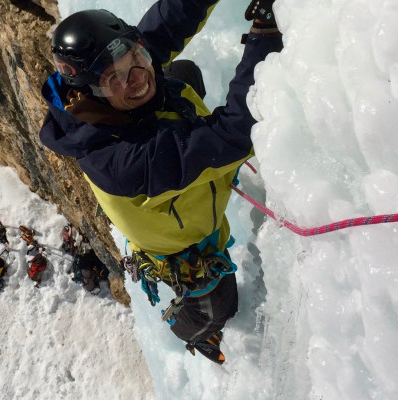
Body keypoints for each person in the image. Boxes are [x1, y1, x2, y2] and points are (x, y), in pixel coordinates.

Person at [39, 0, 282, 364]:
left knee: (181, 74)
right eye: (115, 79)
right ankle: (194, 332)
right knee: (219, 304)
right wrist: (265, 36)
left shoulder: (120, 63)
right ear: (93, 92)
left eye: (136, 58)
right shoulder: (121, 164)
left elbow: (171, 18)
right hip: (183, 246)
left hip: (171, 177)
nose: (136, 76)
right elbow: (234, 134)